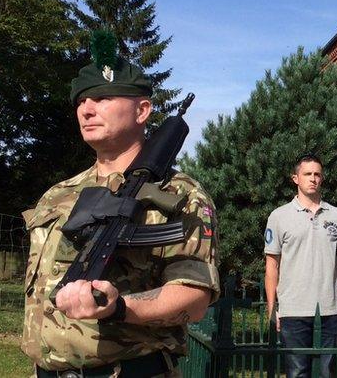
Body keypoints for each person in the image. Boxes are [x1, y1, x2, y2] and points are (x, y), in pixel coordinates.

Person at [22, 40, 221, 377]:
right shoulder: (58, 194)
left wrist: (117, 308)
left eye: (101, 98)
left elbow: (195, 298)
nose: (86, 109)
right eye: (81, 101)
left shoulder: (179, 193)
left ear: (142, 110)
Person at [264, 154, 337, 378]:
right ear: (295, 178)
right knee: (297, 373)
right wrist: (272, 309)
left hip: (330, 309)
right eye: (307, 174)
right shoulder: (279, 217)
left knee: (326, 373)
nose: (313, 179)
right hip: (293, 311)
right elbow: (271, 266)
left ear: (322, 178)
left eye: (317, 174)